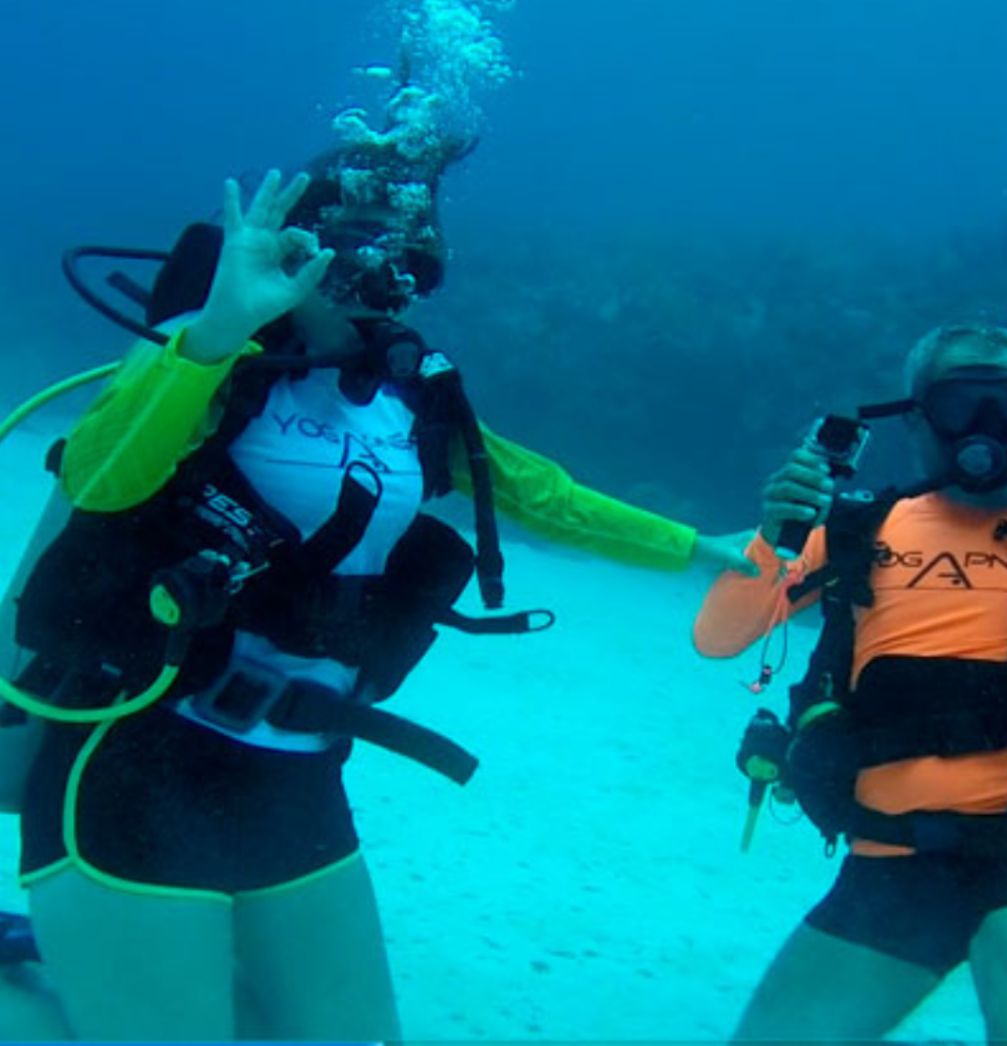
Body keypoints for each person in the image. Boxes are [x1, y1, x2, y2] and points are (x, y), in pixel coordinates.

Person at [0, 149, 750, 1043]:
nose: (383, 278)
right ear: (295, 246)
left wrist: (700, 548)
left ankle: (47, 957)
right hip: (135, 767)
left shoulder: (413, 400)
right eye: (353, 248)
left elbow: (537, 492)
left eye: (407, 254)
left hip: (298, 776)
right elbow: (99, 481)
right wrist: (214, 331)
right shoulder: (206, 363)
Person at [695, 322, 1007, 1043]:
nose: (989, 428)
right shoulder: (857, 528)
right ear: (918, 418)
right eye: (964, 402)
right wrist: (776, 532)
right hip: (895, 859)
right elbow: (718, 637)